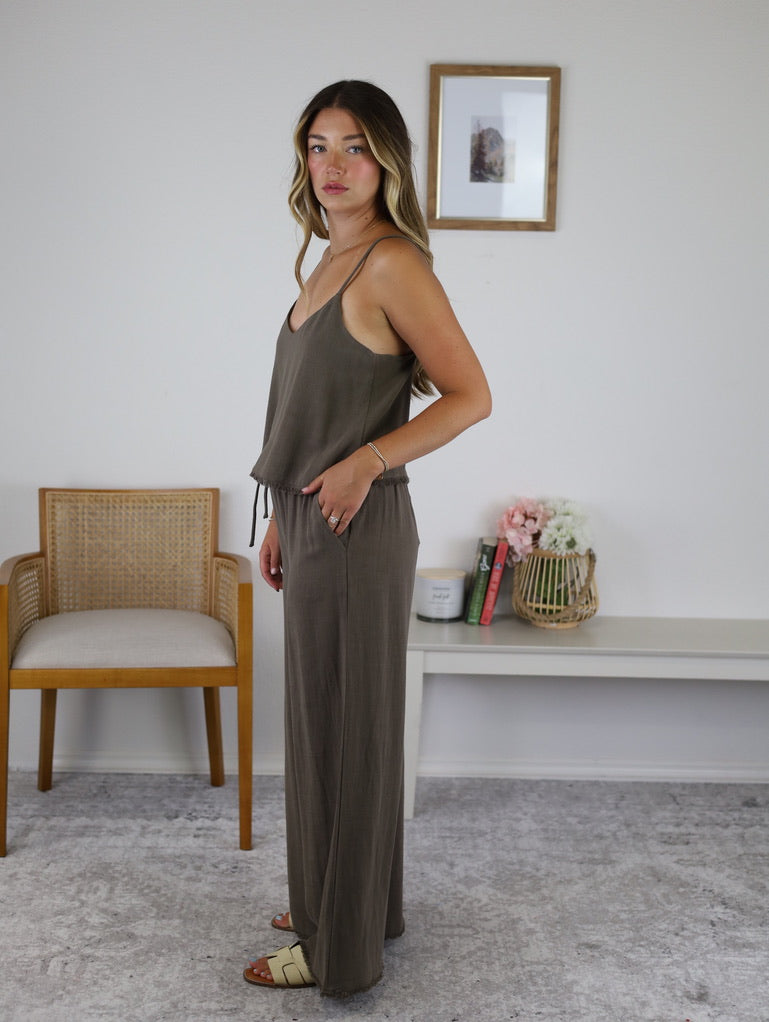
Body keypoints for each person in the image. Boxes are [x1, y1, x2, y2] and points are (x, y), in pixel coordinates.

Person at [244, 80, 491, 996]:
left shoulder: (391, 264)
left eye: (354, 147)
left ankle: (336, 948)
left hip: (357, 521)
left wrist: (366, 462)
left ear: (386, 160)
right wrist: (282, 515)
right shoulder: (326, 259)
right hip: (312, 519)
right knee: (324, 726)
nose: (333, 165)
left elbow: (471, 396)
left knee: (344, 735)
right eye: (318, 146)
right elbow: (308, 411)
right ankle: (343, 901)